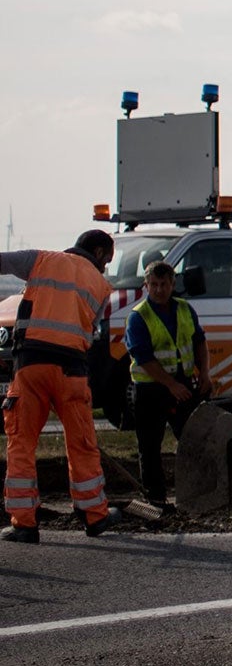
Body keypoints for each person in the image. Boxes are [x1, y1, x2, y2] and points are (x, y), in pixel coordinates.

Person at [1, 231, 123, 542]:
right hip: (72, 370)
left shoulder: (40, 259)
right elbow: (90, 332)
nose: (105, 268)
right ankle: (94, 517)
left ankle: (24, 523)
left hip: (30, 366)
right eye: (106, 261)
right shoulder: (101, 285)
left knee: (22, 442)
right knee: (81, 443)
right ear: (97, 253)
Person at [125, 260, 211, 510]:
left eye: (164, 284)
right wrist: (171, 385)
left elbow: (199, 341)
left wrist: (204, 373)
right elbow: (144, 358)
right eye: (154, 285)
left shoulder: (185, 309)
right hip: (150, 388)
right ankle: (156, 499)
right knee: (150, 446)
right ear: (146, 285)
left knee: (194, 439)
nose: (159, 290)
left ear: (173, 284)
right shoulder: (138, 316)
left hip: (183, 384)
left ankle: (198, 494)